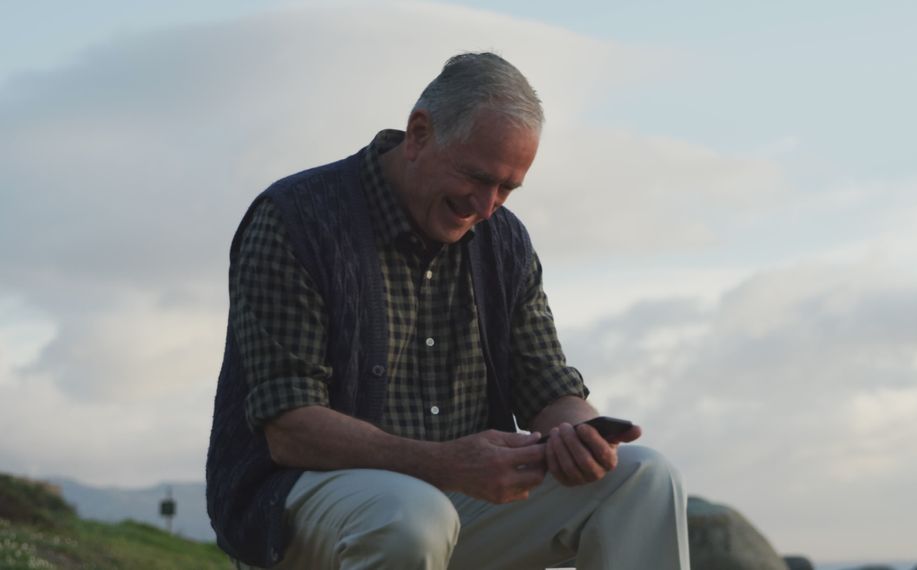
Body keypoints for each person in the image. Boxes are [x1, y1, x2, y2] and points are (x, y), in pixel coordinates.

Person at [206, 52, 689, 570]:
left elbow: (547, 385)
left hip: (458, 494)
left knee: (644, 475)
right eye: (476, 177)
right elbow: (290, 429)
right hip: (300, 503)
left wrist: (579, 435)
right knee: (411, 515)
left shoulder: (504, 239)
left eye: (507, 188)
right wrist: (447, 464)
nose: (486, 206)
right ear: (418, 134)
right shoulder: (295, 219)